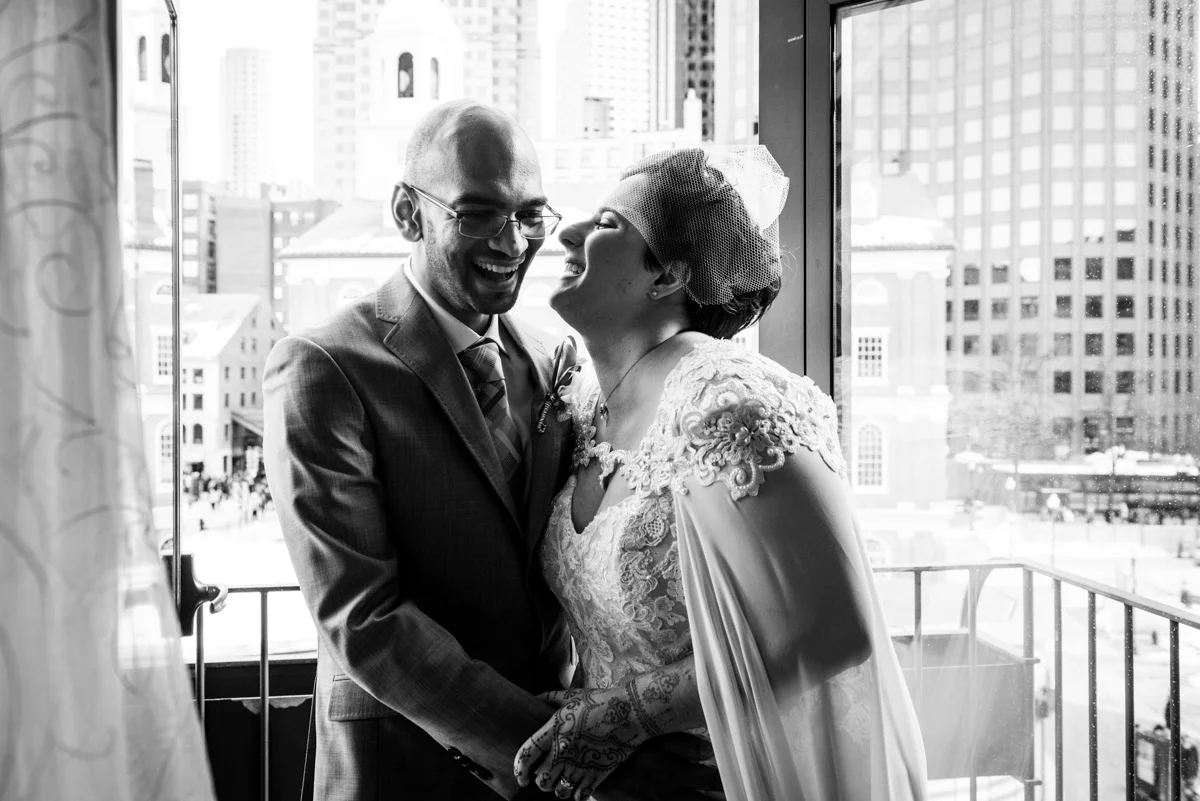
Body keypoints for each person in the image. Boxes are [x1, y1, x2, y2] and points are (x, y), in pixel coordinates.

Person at [264, 100, 719, 801]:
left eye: (530, 213)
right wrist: (552, 747)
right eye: (477, 213)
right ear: (408, 214)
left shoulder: (556, 357)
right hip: (403, 767)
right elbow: (363, 619)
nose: (513, 240)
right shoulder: (323, 366)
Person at [513, 146, 928, 800]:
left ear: (668, 276)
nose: (567, 233)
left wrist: (626, 714)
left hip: (722, 778)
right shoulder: (586, 404)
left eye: (609, 224)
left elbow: (834, 628)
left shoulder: (727, 398)